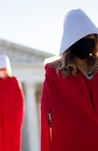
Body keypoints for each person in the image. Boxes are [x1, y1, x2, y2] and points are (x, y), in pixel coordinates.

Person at [41, 9, 98, 151]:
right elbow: (46, 116)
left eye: (92, 35)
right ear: (73, 39)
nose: (90, 38)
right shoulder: (56, 76)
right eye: (85, 35)